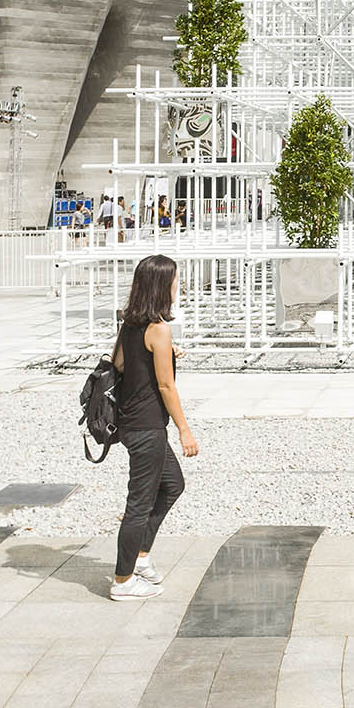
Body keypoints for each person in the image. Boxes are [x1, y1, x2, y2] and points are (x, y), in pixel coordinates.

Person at [110, 255, 198, 602]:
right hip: (147, 427)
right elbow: (165, 386)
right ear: (162, 286)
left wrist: (164, 353)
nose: (178, 286)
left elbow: (119, 363)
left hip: (131, 423)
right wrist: (184, 430)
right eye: (175, 280)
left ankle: (141, 557)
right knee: (139, 504)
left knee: (173, 485)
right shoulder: (158, 328)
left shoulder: (131, 323)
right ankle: (122, 581)